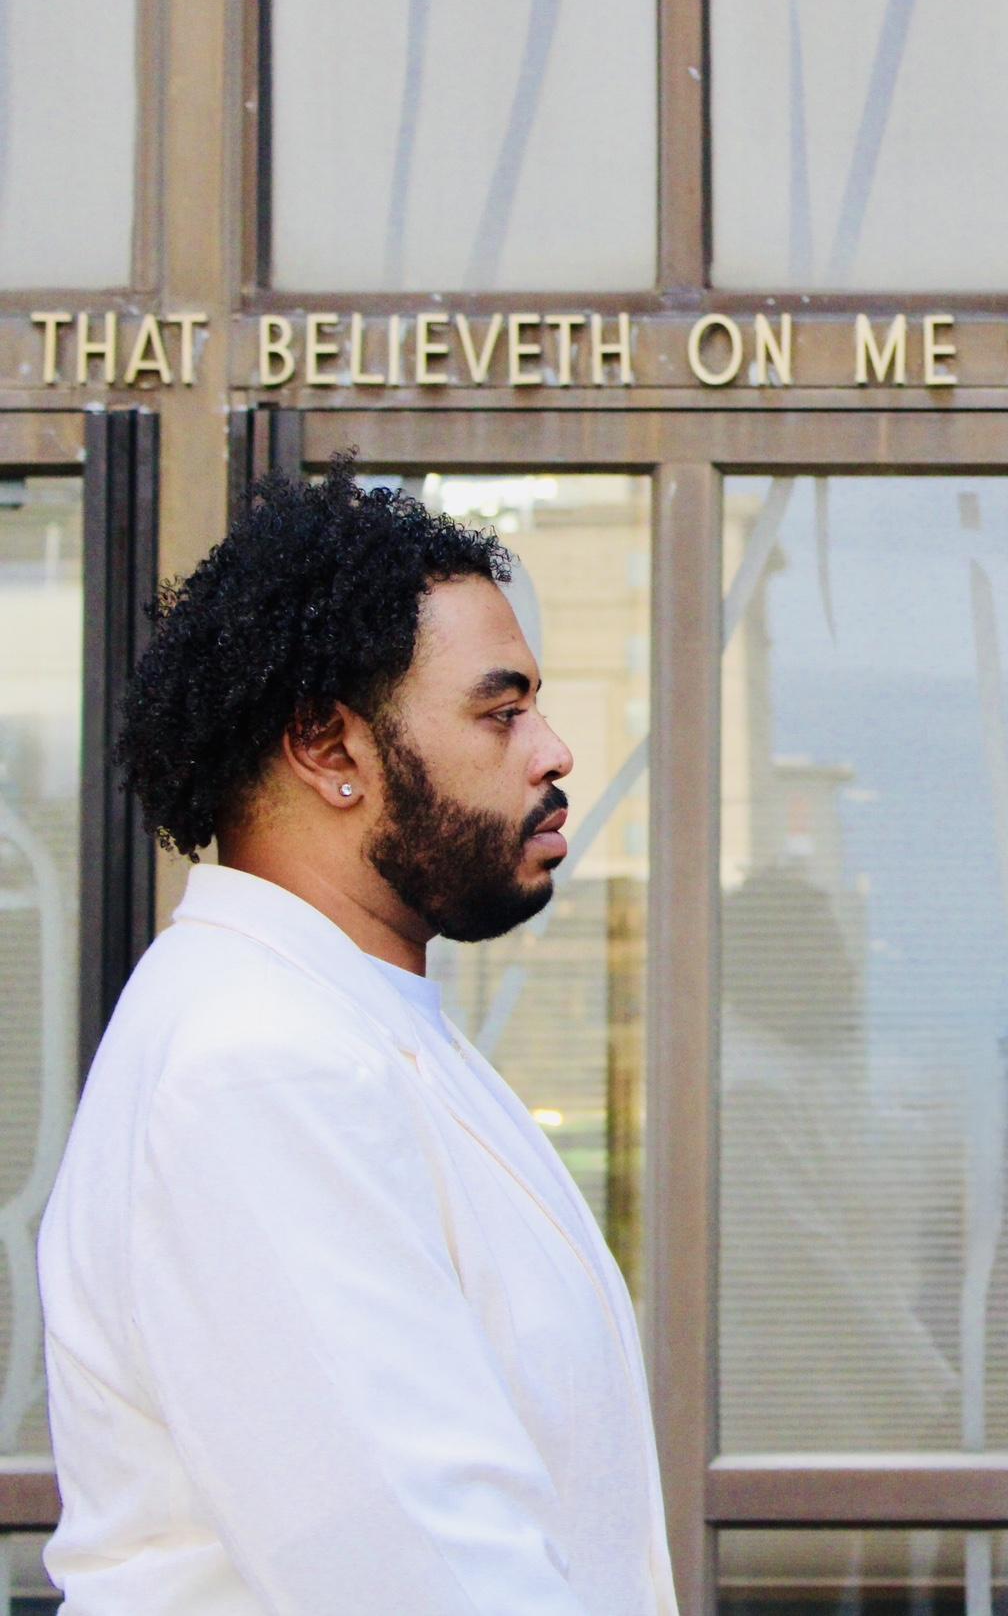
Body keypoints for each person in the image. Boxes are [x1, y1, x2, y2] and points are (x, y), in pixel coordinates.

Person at [37, 462, 676, 1615]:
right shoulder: (256, 1060)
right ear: (328, 749)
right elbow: (427, 1569)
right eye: (501, 710)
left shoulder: (345, 1018)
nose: (553, 751)